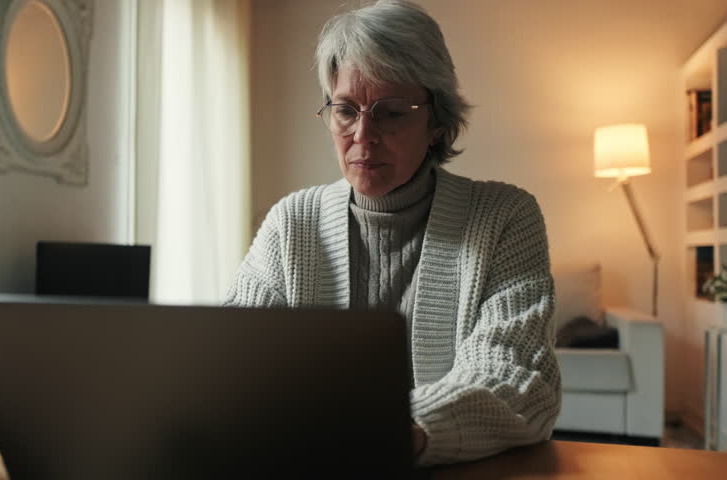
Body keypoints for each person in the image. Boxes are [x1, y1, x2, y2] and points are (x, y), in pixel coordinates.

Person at [225, 0, 560, 466]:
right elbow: (231, 361)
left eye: (391, 112)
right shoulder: (292, 223)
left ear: (436, 123)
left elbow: (517, 375)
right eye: (346, 110)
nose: (363, 135)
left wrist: (394, 434)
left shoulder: (505, 217)